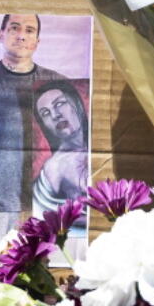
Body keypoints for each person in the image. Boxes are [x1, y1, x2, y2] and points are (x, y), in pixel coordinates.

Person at [0, 14, 64, 261]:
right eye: (15, 28)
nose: (21, 35)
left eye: (29, 30)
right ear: (1, 35)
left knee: (36, 282)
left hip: (38, 203)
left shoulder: (55, 83)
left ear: (37, 41)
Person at [31, 80, 90, 216]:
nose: (55, 115)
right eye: (45, 113)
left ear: (77, 104)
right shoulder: (57, 164)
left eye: (59, 104)